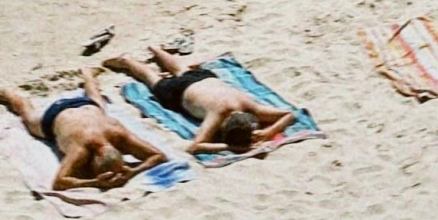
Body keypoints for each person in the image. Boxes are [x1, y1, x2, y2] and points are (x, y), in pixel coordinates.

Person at [0, 74, 167, 195]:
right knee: (28, 116)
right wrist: (96, 182)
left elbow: (159, 156)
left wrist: (134, 171)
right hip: (55, 115)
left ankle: (88, 77)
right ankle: (8, 94)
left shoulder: (118, 135)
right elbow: (59, 183)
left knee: (98, 100)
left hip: (86, 105)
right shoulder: (85, 148)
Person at [101, 47, 295, 156]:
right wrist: (232, 147)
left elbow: (289, 114)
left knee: (182, 69)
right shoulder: (218, 115)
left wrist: (269, 130)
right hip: (179, 92)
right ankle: (127, 60)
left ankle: (157, 50)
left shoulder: (249, 107)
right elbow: (195, 146)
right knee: (152, 79)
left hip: (204, 78)